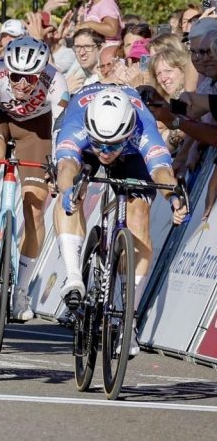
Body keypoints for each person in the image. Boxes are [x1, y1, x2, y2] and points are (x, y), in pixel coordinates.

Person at [52, 85, 187, 356]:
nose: (104, 151)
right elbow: (66, 166)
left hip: (132, 153)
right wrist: (69, 192)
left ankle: (128, 319)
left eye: (111, 145)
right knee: (70, 195)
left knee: (139, 213)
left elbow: (161, 169)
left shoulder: (143, 127)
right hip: (81, 140)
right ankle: (74, 276)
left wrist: (174, 198)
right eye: (100, 144)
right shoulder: (78, 120)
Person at [0, 37, 68, 321]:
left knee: (34, 207)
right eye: (15, 76)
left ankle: (21, 291)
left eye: (29, 78)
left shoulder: (56, 82)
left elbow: (61, 131)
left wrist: (57, 167)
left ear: (41, 72)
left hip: (37, 128)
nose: (21, 84)